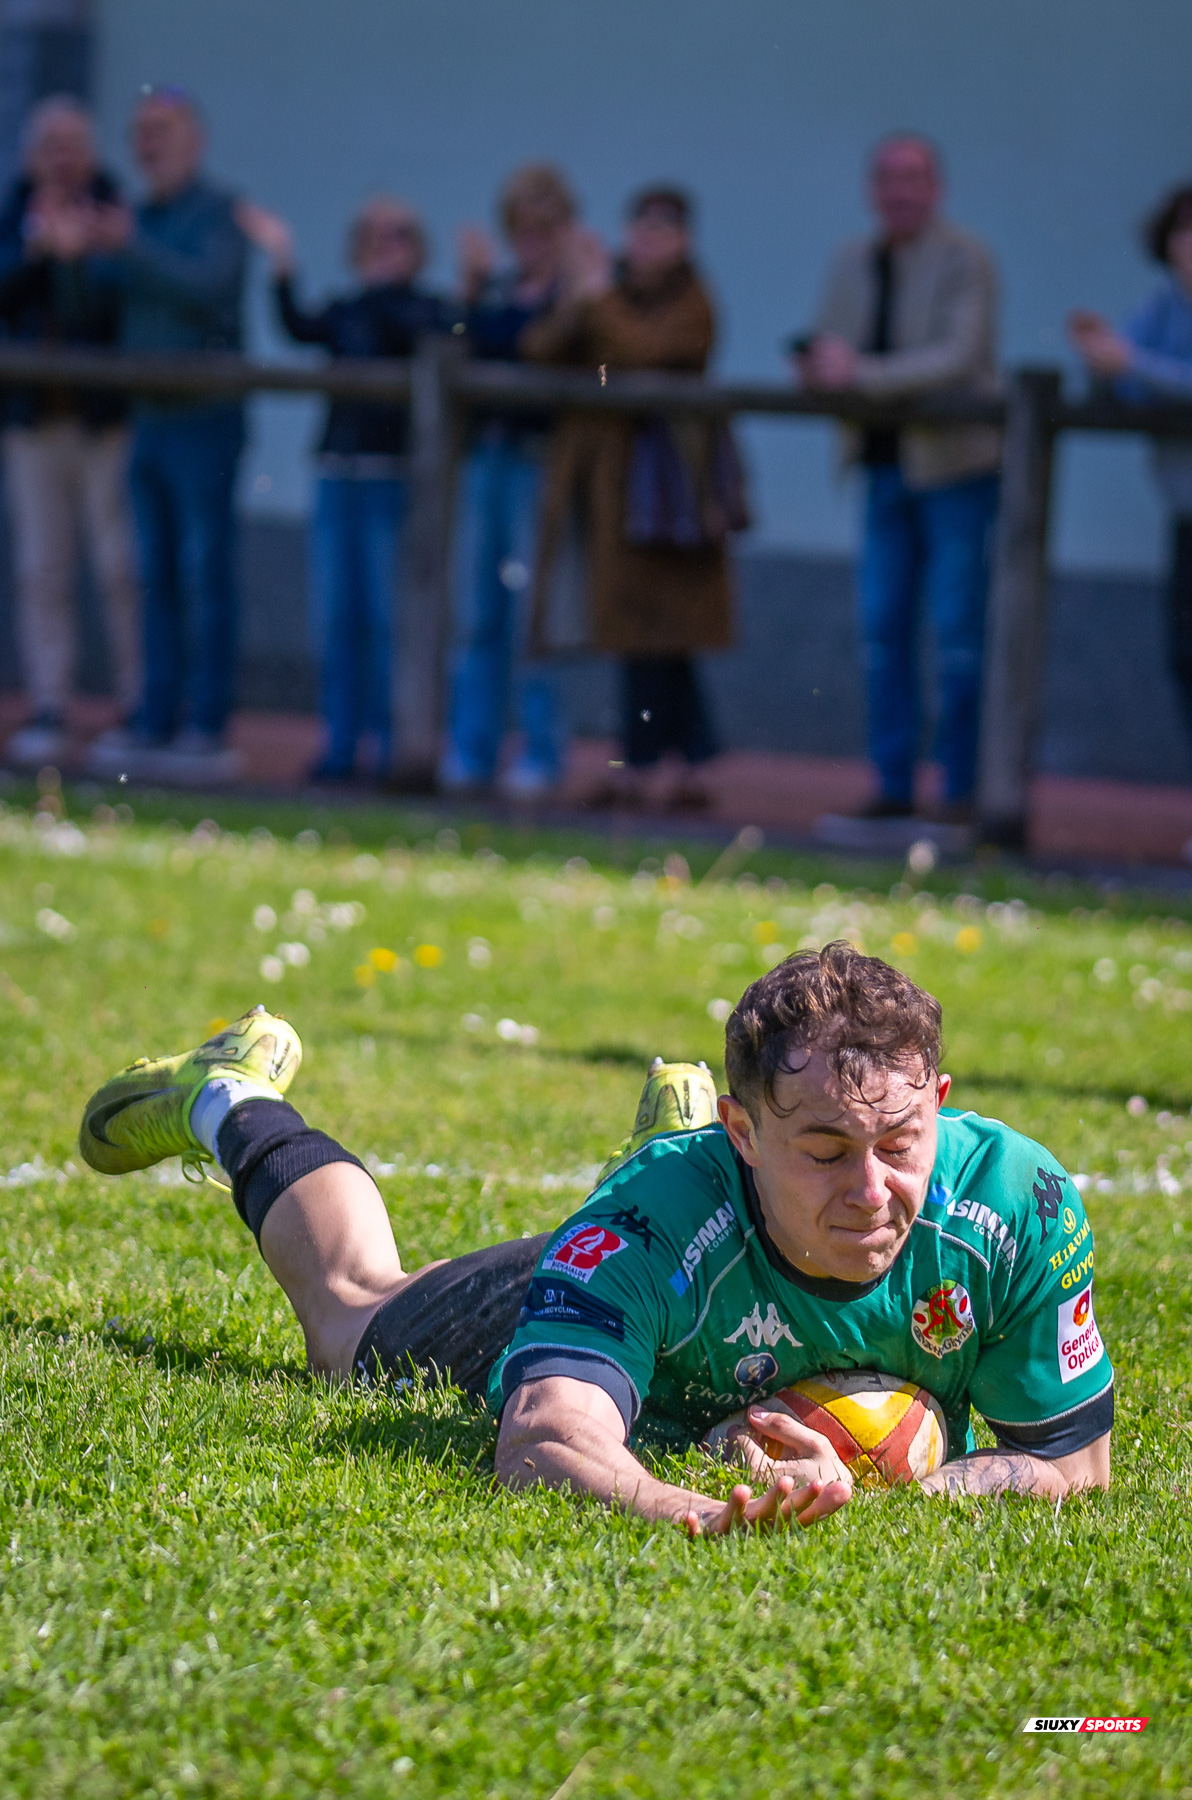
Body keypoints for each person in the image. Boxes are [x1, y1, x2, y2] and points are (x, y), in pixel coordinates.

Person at [78, 942, 1112, 1533]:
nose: (874, 1190)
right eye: (829, 1151)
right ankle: (228, 1097)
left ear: (939, 1102)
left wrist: (910, 1491)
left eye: (900, 1142)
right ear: (743, 1132)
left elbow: (1071, 1464)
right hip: (668, 1244)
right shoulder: (649, 1225)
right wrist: (706, 1514)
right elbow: (543, 1443)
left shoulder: (1016, 1203)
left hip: (697, 1232)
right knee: (350, 1314)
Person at [800, 135, 1001, 825]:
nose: (899, 191)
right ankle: (892, 784)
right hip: (881, 469)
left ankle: (960, 789)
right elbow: (833, 339)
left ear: (936, 187)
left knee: (958, 638)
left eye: (912, 178)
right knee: (883, 634)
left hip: (954, 473)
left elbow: (956, 356)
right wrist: (821, 367)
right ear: (871, 188)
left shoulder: (965, 258)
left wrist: (860, 374)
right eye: (887, 177)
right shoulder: (851, 260)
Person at [525, 185, 741, 812]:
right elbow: (544, 349)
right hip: (607, 493)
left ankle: (651, 768)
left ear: (685, 242)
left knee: (663, 637)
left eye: (661, 232)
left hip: (671, 497)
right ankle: (677, 765)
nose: (646, 243)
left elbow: (641, 351)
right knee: (637, 636)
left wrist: (595, 297)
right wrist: (576, 296)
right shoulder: (608, 294)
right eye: (638, 229)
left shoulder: (693, 302)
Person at [237, 195, 455, 783]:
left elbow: (431, 330)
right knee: (337, 618)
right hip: (338, 475)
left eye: (400, 235)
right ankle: (341, 742)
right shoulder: (346, 309)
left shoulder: (424, 310)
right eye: (375, 236)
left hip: (390, 480)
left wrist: (388, 287)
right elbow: (297, 326)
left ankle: (390, 745)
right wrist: (282, 259)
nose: (386, 246)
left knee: (386, 620)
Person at [83, 87, 248, 781]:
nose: (147, 144)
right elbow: (97, 306)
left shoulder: (219, 215)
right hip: (146, 419)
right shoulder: (137, 217)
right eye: (139, 132)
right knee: (154, 578)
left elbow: (207, 287)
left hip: (204, 420)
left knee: (205, 575)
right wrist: (69, 256)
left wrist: (130, 247)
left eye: (161, 130)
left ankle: (205, 724)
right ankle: (155, 716)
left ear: (194, 140)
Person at [0, 96, 138, 769]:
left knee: (118, 567)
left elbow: (115, 301)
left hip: (103, 422)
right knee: (39, 569)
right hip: (32, 422)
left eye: (74, 143)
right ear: (31, 156)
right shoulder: (11, 215)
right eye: (50, 144)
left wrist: (79, 256)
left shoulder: (117, 214)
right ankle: (50, 702)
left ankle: (137, 704)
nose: (62, 156)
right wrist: (37, 250)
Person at [438, 164, 576, 800]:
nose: (531, 243)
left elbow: (589, 370)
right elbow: (460, 350)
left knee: (533, 617)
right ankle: (471, 750)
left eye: (543, 231)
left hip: (540, 461)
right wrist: (465, 297)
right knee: (479, 615)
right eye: (521, 231)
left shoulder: (576, 303)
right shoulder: (492, 295)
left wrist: (580, 299)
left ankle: (542, 754)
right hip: (487, 459)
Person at [1069, 184, 1192, 753]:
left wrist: (1132, 362)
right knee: (1185, 655)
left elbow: (1147, 369)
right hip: (1184, 511)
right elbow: (1124, 380)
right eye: (1185, 231)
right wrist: (1100, 355)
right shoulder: (1165, 305)